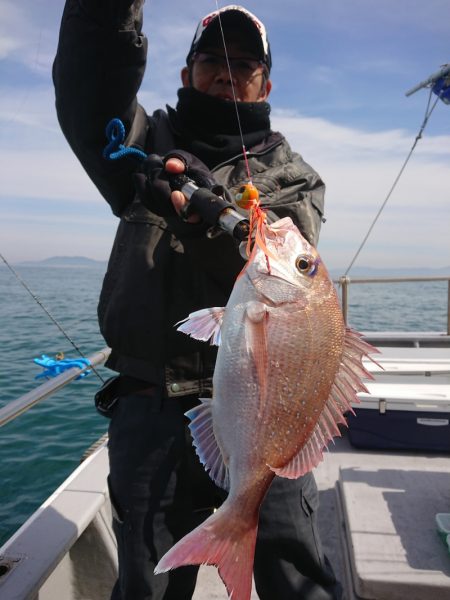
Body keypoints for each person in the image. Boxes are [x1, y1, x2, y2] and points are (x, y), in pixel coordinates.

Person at [53, 2, 343, 599]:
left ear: (267, 82)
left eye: (245, 63)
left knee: (299, 579)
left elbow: (283, 258)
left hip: (271, 415)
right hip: (151, 406)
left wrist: (209, 215)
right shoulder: (141, 147)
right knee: (149, 584)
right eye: (212, 58)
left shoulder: (294, 175)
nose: (227, 71)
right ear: (186, 74)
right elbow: (91, 90)